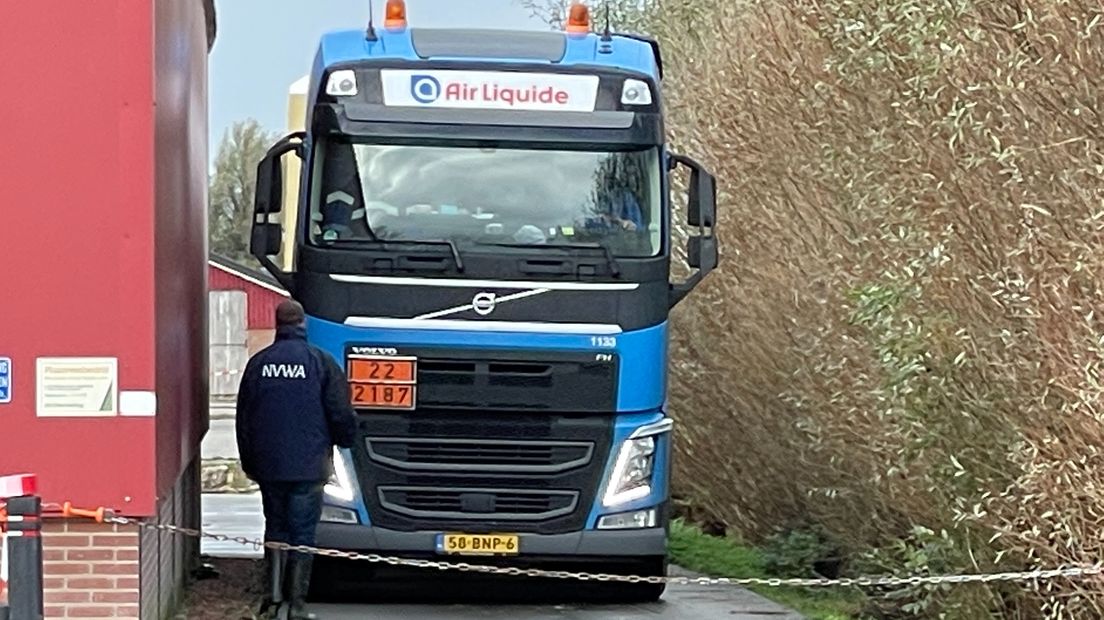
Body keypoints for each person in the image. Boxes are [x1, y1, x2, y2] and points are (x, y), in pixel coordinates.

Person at [235, 299, 357, 619]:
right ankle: (298, 604)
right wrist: (345, 441)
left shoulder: (259, 364)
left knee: (275, 527)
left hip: (269, 466)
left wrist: (250, 461)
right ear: (303, 324)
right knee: (303, 532)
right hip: (309, 466)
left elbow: (244, 419)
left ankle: (273, 598)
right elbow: (340, 413)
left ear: (278, 325)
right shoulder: (321, 362)